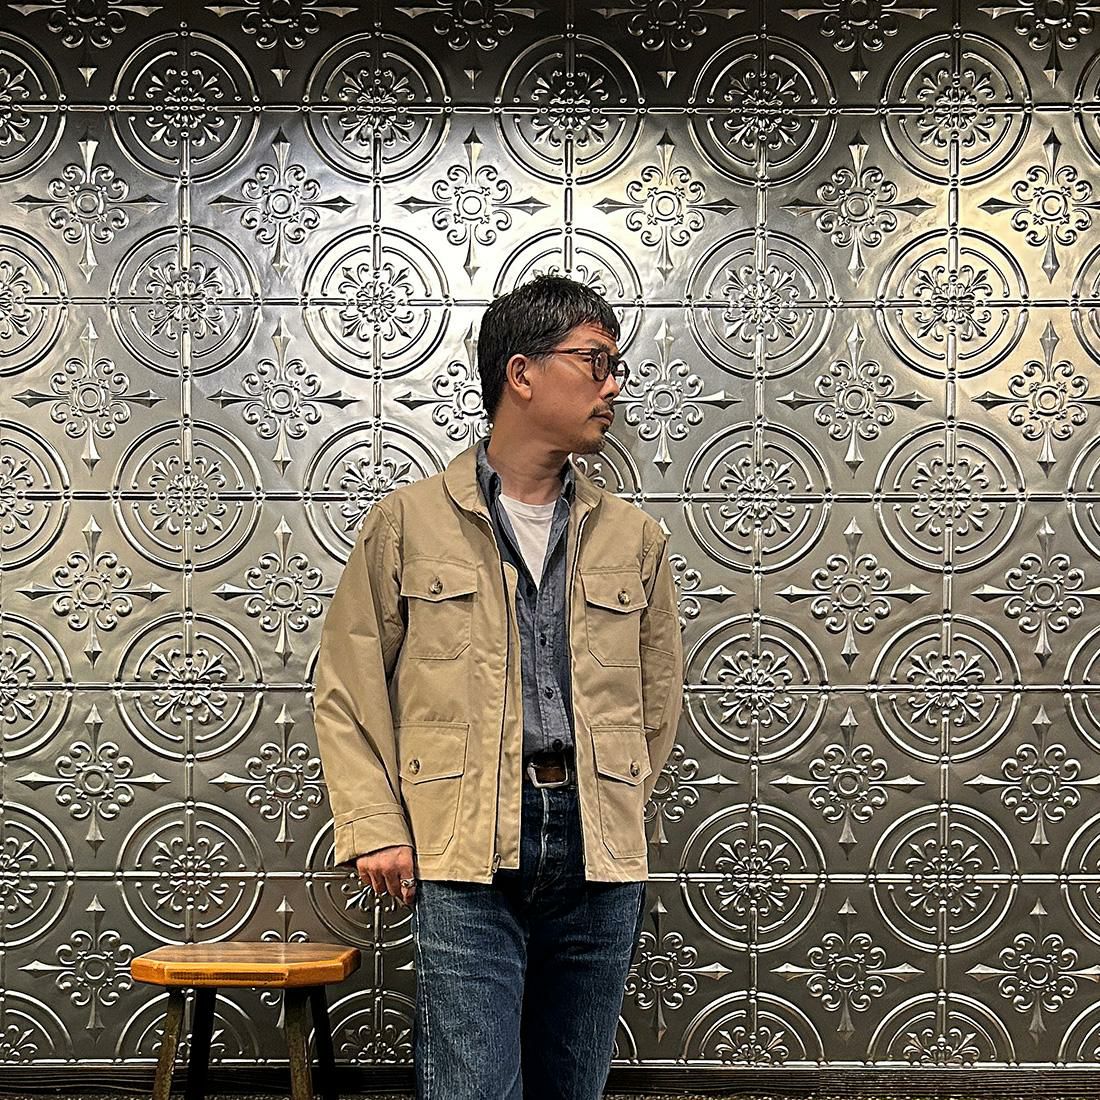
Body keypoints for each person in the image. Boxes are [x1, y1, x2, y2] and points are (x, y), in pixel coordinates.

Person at [312, 273, 685, 1099]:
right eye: (595, 362)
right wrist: (377, 827)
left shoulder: (634, 537)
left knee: (572, 1086)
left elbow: (658, 700)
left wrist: (616, 794)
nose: (613, 387)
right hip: (464, 847)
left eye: (616, 367)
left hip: (598, 850)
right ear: (522, 373)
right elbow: (347, 684)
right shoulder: (407, 522)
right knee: (472, 1087)